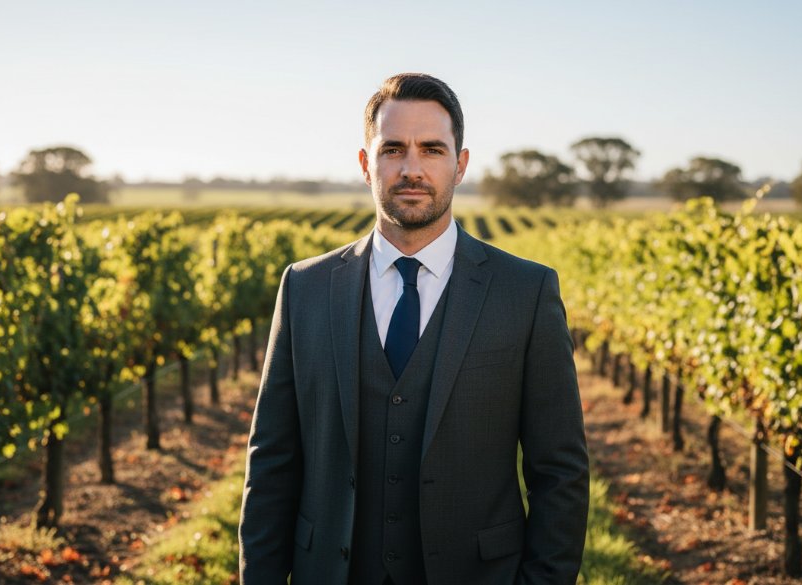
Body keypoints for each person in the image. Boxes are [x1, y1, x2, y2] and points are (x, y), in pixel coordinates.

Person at [239, 72, 589, 585]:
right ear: (365, 163)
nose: (412, 169)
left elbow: (560, 472)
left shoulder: (526, 292)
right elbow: (271, 463)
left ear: (460, 164)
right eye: (393, 149)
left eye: (432, 150)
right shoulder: (305, 288)